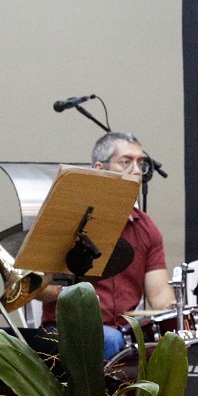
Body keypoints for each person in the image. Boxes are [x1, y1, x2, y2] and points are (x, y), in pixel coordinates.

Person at [38, 132, 174, 358]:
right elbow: (40, 289)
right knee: (111, 340)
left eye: (141, 163)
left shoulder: (146, 227)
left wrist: (177, 315)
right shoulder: (71, 220)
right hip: (65, 330)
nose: (137, 171)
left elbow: (159, 295)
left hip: (123, 331)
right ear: (100, 169)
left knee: (170, 343)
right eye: (126, 162)